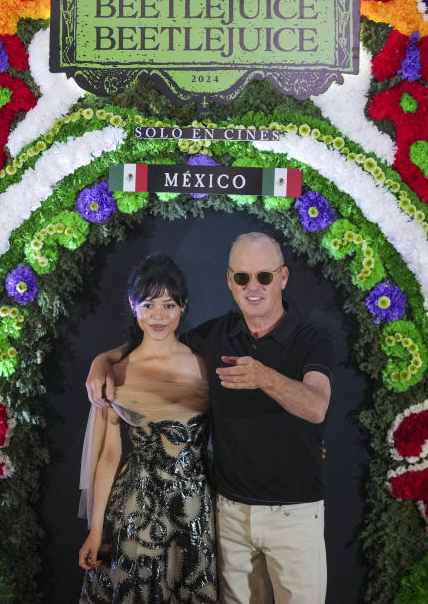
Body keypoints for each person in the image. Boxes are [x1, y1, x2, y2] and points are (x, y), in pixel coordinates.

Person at [86, 232, 335, 604]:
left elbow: (316, 405)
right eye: (242, 277)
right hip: (228, 513)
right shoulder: (215, 337)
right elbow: (158, 339)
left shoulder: (311, 339)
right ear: (230, 281)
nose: (253, 287)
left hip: (293, 515)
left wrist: (263, 376)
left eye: (264, 277)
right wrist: (102, 361)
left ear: (282, 278)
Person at [78, 254, 217, 603]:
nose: (158, 315)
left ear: (183, 306)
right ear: (133, 305)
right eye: (149, 304)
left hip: (196, 505)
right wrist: (96, 531)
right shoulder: (117, 372)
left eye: (168, 304)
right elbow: (110, 456)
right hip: (135, 508)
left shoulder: (204, 363)